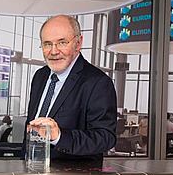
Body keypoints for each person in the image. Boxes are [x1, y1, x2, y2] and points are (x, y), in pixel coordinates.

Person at [23, 15, 117, 161]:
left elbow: (105, 138)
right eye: (47, 44)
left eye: (61, 43)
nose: (53, 51)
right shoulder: (40, 76)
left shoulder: (98, 82)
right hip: (32, 174)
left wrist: (59, 136)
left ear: (78, 43)